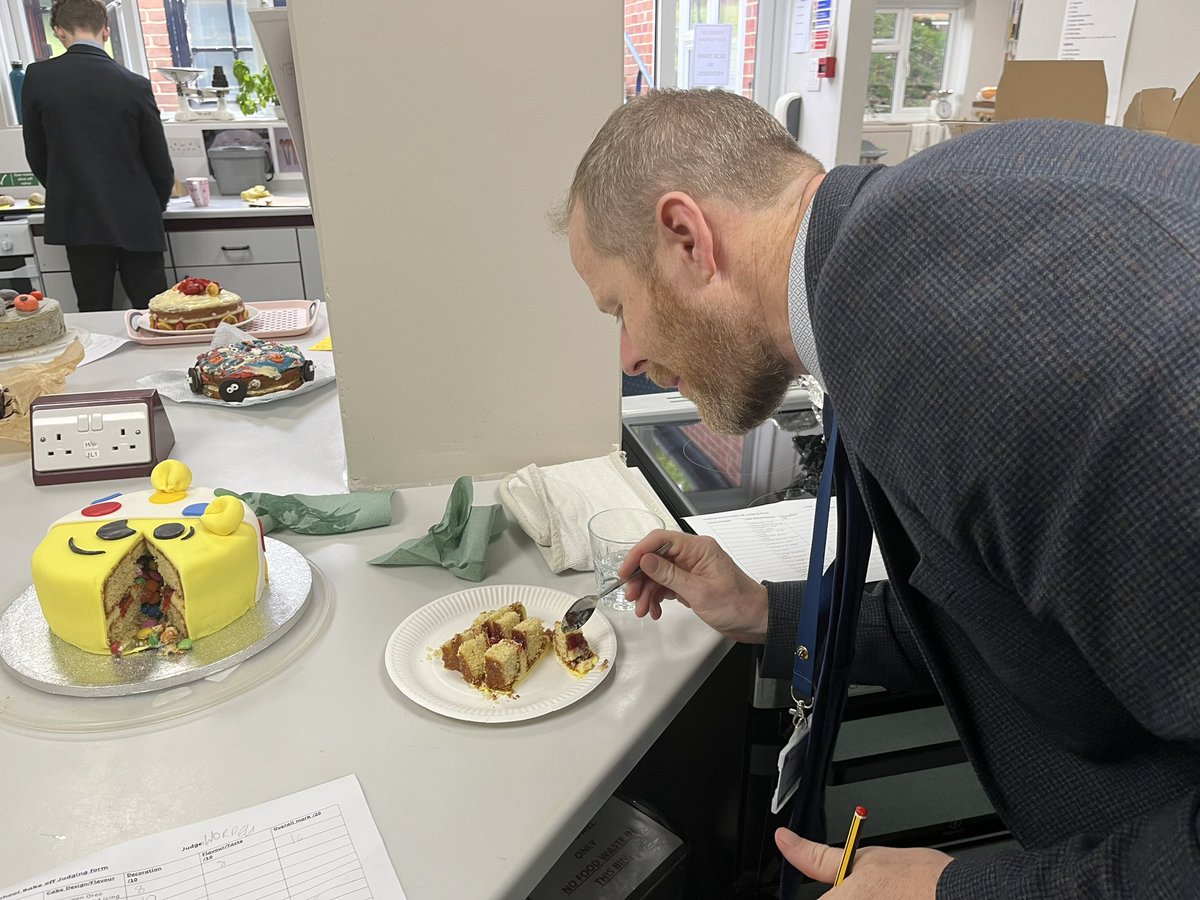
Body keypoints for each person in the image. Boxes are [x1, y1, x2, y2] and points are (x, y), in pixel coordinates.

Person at [560, 88, 1200, 898]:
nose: (628, 355)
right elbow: (999, 613)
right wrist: (764, 610)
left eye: (620, 307)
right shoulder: (912, 244)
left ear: (687, 238)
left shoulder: (944, 332)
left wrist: (957, 894)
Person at [21, 0, 173, 312]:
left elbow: (36, 153)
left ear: (59, 31)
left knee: (94, 311)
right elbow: (159, 164)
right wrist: (151, 206)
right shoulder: (135, 84)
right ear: (106, 31)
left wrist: (67, 189)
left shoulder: (39, 78)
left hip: (79, 215)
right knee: (154, 312)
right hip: (137, 215)